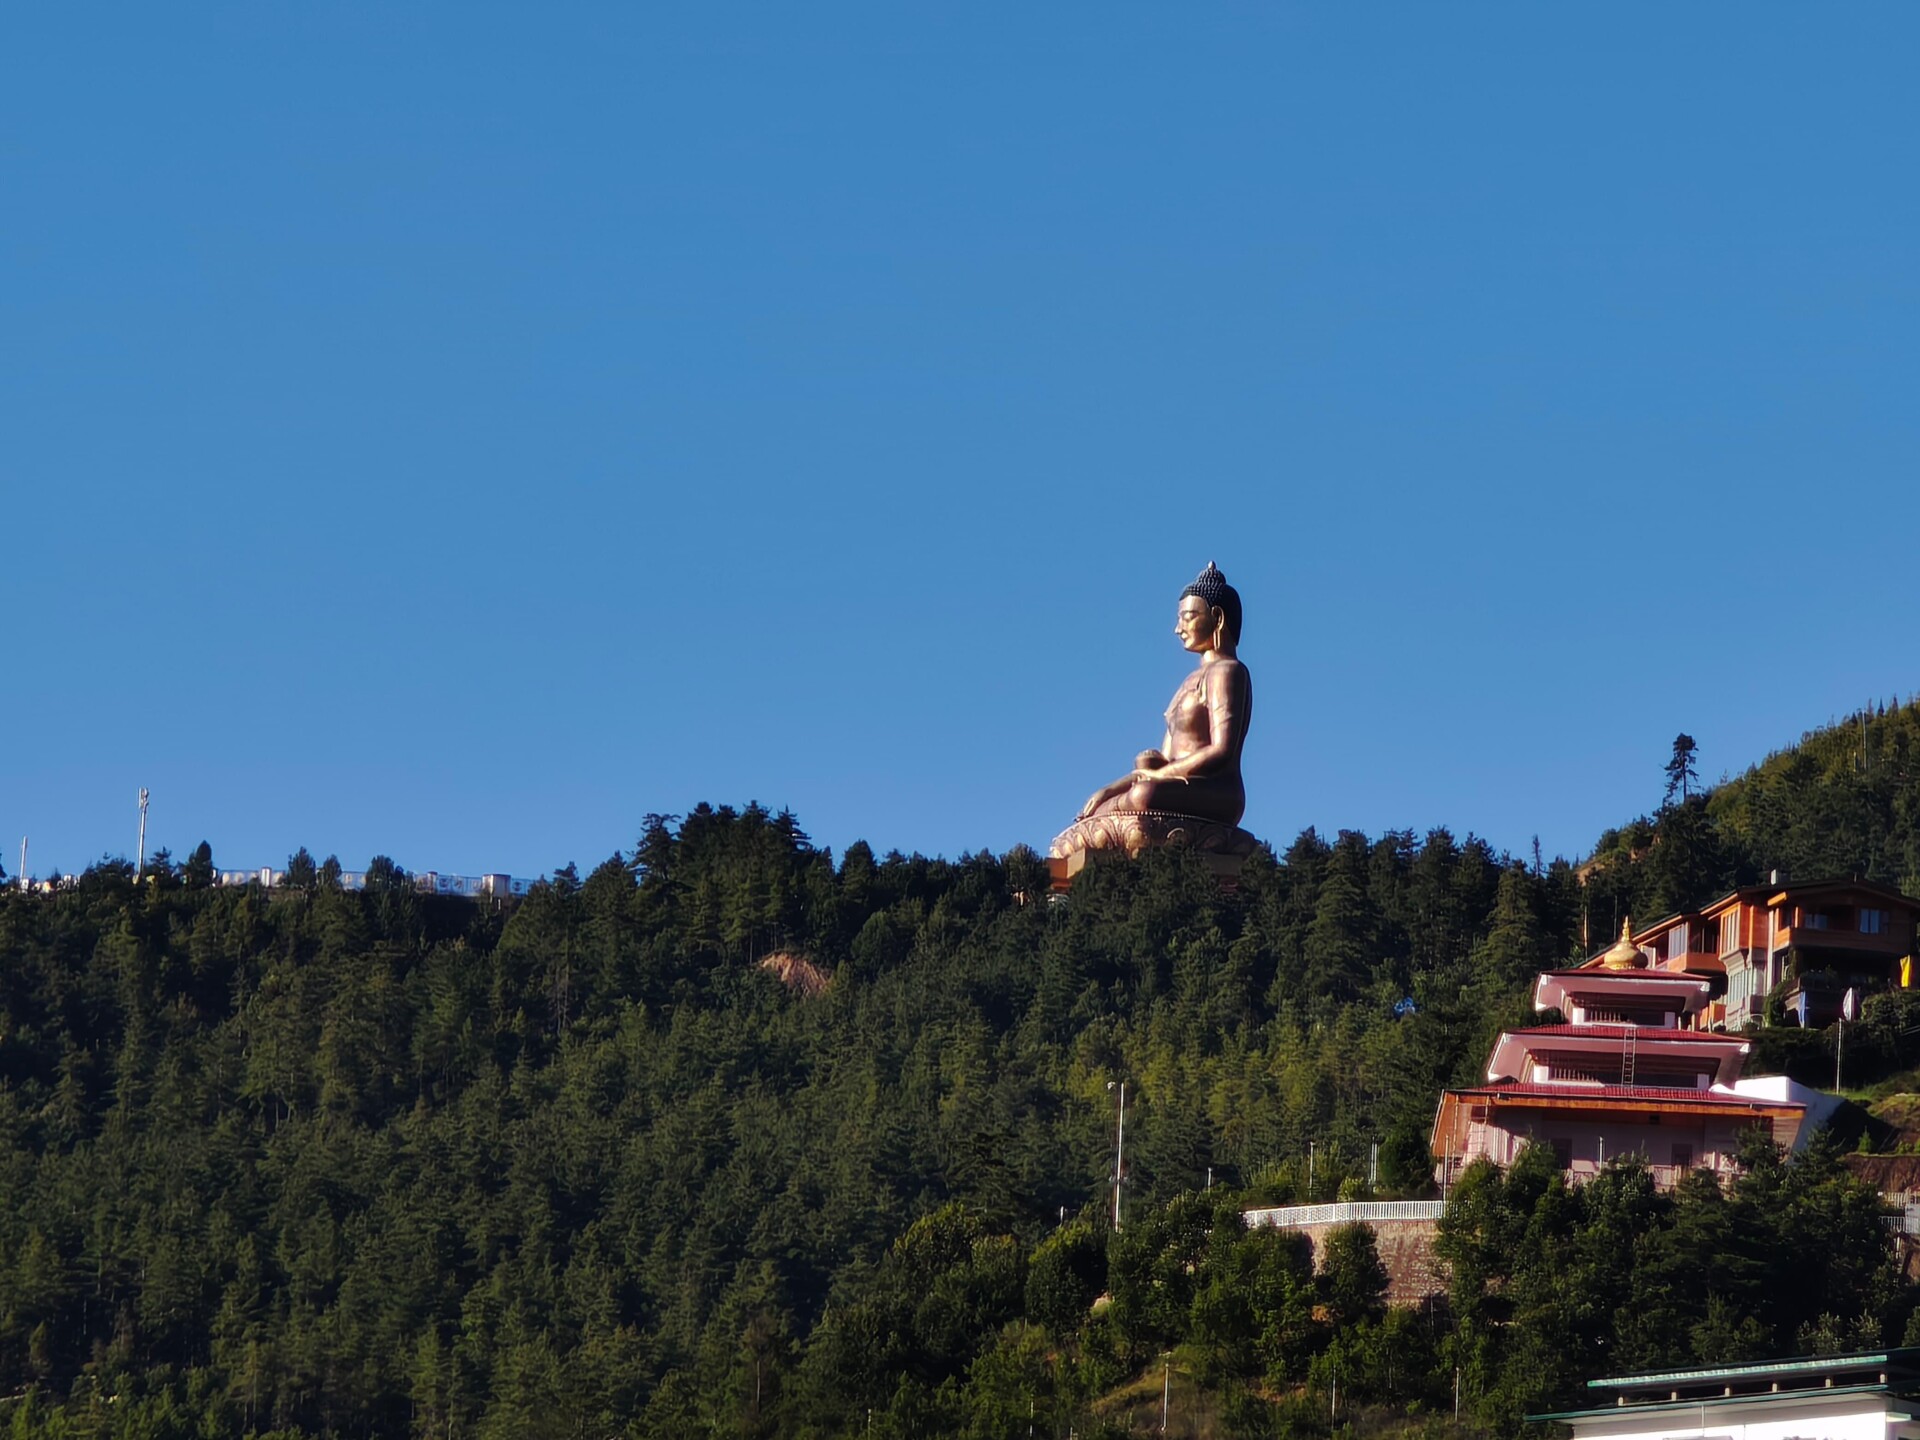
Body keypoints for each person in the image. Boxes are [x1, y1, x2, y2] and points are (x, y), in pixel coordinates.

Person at [1076, 563, 1252, 826]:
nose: (1178, 628)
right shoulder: (1188, 683)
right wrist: (1110, 790)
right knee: (1100, 811)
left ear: (1217, 617)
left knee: (1144, 795)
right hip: (1172, 784)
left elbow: (1221, 750)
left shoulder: (1227, 671)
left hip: (1215, 790)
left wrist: (1157, 777)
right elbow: (1165, 760)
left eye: (1188, 617)